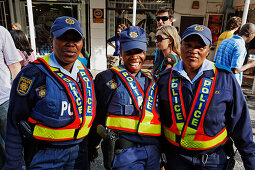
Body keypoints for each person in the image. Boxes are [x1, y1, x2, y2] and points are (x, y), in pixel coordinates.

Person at [158, 24, 255, 169]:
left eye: (200, 47)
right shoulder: (165, 79)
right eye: (188, 45)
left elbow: (241, 126)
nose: (193, 51)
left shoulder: (225, 79)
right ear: (181, 46)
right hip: (175, 160)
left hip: (212, 161)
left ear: (208, 50)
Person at [5, 16, 96, 169]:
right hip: (45, 154)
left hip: (79, 153)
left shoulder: (85, 75)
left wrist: (90, 148)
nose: (71, 44)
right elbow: (14, 122)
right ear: (50, 40)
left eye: (76, 39)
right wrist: (13, 165)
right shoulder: (33, 74)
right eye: (63, 38)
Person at [92, 26, 161, 170]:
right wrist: (91, 145)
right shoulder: (107, 78)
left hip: (153, 153)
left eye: (139, 51)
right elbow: (97, 116)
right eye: (129, 52)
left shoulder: (153, 80)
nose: (135, 57)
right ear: (121, 50)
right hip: (124, 154)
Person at [0, 25, 22, 170]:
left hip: (3, 100)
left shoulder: (1, 31)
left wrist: (17, 97)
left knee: (13, 146)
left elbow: (15, 66)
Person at [154, 6, 175, 76]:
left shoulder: (177, 40)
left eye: (164, 18)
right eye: (158, 19)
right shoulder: (160, 41)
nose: (160, 21)